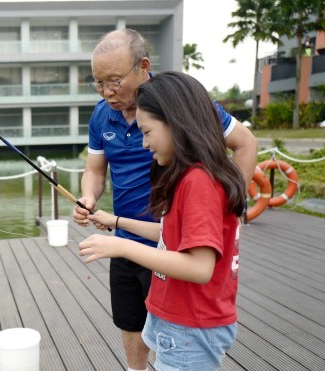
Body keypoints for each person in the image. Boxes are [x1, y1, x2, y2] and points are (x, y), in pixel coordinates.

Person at [72, 29, 257, 371]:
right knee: (136, 325)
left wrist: (225, 211)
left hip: (183, 275)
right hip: (150, 238)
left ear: (143, 67)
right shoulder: (102, 115)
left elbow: (246, 143)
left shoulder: (179, 103)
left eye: (114, 80)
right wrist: (105, 214)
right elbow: (95, 170)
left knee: (176, 344)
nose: (107, 92)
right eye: (98, 84)